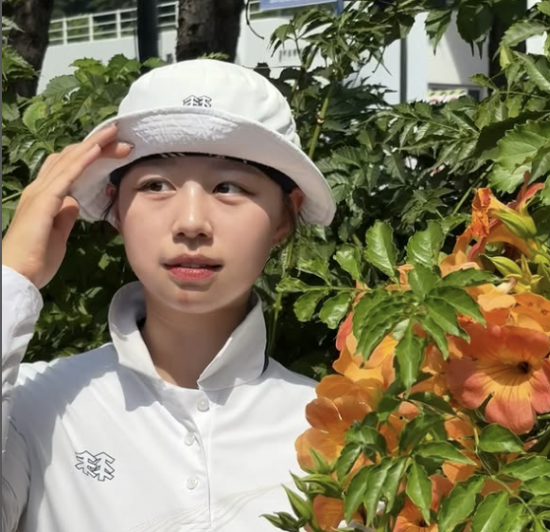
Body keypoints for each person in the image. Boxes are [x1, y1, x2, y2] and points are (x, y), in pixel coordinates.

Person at [2, 59, 336, 532]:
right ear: (117, 209)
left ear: (285, 216)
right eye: (156, 185)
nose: (191, 223)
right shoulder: (31, 407)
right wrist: (12, 277)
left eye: (229, 187)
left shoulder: (337, 425)